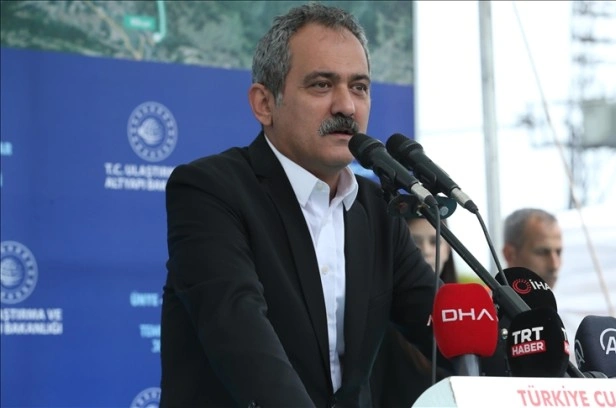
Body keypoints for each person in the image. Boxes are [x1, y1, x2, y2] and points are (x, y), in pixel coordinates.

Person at [160, 3, 443, 407]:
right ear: (264, 103)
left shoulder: (378, 208)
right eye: (322, 85)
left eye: (359, 87)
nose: (346, 106)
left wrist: (526, 366)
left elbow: (442, 322)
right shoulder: (210, 190)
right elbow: (241, 336)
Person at [370, 216, 457, 407]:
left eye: (434, 242)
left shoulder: (465, 313)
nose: (426, 250)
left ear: (448, 249)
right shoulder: (381, 320)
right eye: (414, 242)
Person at [502, 208, 563, 288]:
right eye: (542, 252)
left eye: (558, 253)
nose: (554, 265)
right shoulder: (488, 296)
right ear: (510, 254)